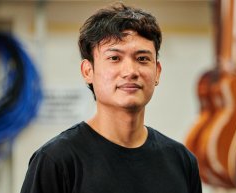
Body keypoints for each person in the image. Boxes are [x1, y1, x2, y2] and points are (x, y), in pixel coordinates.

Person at [20, 2, 202, 193]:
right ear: (88, 71)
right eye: (114, 58)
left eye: (142, 59)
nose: (130, 71)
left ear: (157, 72)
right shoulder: (56, 161)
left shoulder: (181, 161)